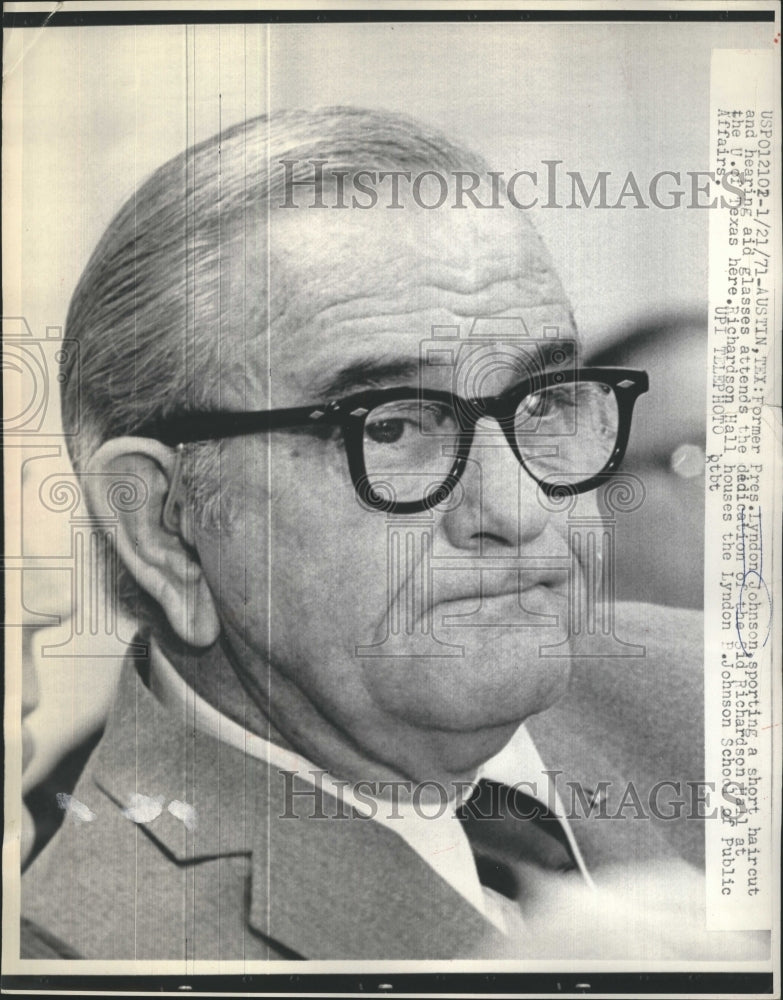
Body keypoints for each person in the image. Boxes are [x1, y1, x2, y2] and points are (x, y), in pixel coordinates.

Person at [21, 107, 708, 961]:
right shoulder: (81, 950)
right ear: (166, 525)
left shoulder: (724, 701)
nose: (522, 509)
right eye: (392, 426)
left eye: (544, 402)